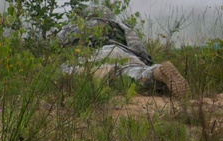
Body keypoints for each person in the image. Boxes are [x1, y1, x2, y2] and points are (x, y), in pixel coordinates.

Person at [58, 8, 190, 97]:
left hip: (94, 56)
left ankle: (100, 73)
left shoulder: (77, 27)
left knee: (65, 70)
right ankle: (156, 72)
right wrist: (145, 63)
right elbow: (139, 49)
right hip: (123, 53)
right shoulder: (122, 26)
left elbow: (59, 48)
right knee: (135, 74)